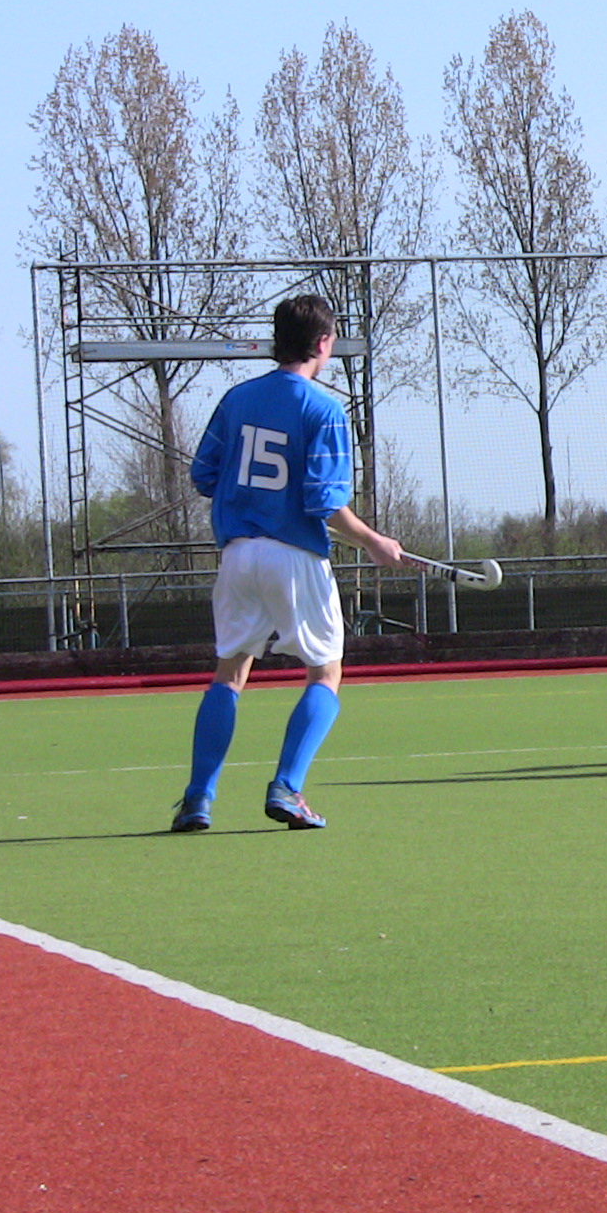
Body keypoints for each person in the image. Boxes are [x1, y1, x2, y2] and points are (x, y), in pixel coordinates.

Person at [170, 295, 401, 832]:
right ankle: (288, 789)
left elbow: (204, 476)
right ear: (324, 343)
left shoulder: (236, 400)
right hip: (293, 555)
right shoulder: (323, 410)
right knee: (325, 671)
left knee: (229, 672)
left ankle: (198, 799)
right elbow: (323, 502)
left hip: (236, 554)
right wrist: (372, 540)